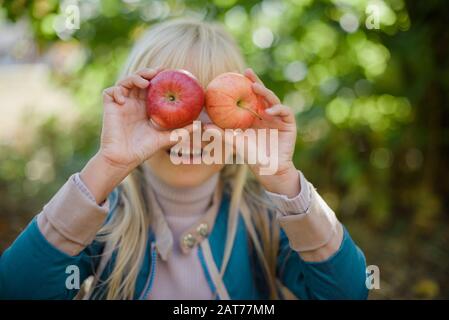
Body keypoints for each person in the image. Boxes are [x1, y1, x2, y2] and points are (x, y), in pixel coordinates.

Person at [0, 18, 368, 300]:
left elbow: (348, 292)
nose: (192, 128)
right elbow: (16, 288)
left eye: (212, 105)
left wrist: (285, 179)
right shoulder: (104, 222)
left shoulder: (265, 221)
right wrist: (107, 166)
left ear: (246, 113)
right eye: (174, 102)